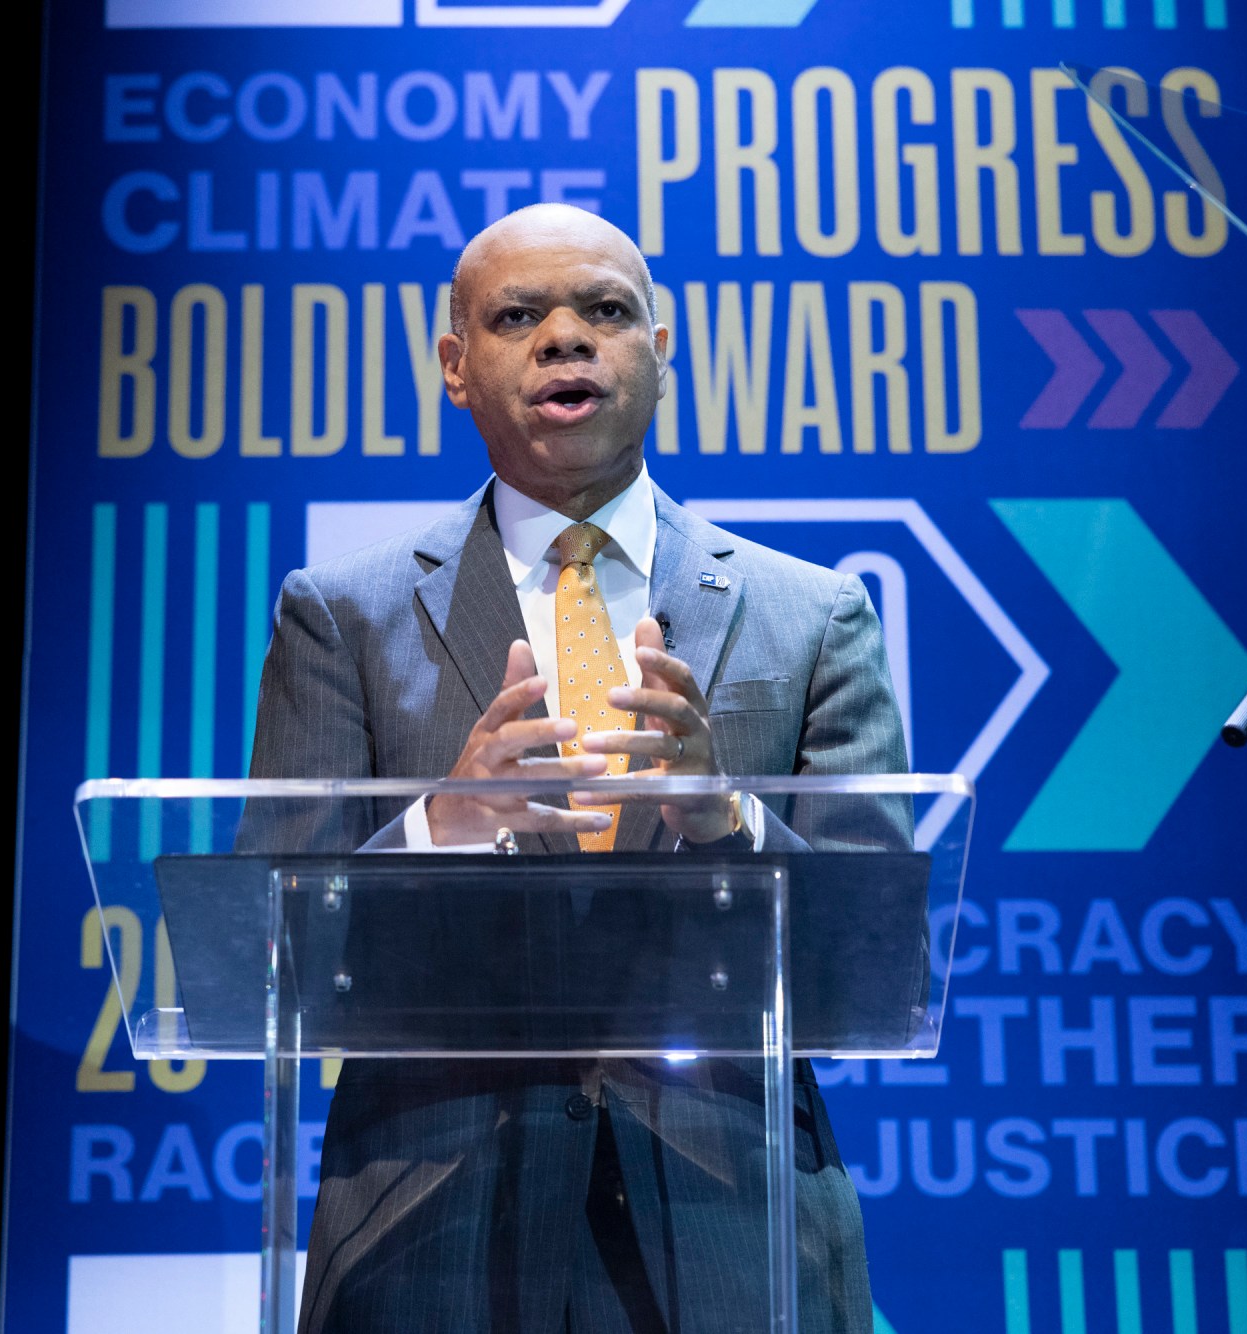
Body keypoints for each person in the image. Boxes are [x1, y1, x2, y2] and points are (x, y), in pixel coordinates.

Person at [244, 204, 908, 1333]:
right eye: (519, 316)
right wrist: (437, 824)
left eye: (604, 309)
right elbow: (273, 959)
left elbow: (874, 969)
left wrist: (721, 815)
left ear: (661, 347)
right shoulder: (340, 618)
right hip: (428, 1231)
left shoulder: (812, 616)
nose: (564, 337)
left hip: (735, 1231)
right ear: (456, 366)